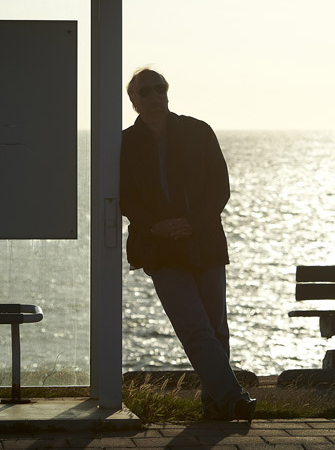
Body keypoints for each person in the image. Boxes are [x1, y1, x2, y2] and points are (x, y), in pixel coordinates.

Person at [120, 67, 256, 421]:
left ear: (167, 92)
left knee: (215, 328)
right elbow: (124, 197)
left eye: (158, 89)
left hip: (205, 241)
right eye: (143, 92)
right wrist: (156, 227)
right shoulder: (125, 143)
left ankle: (216, 406)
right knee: (194, 328)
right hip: (159, 248)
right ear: (132, 100)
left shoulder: (198, 131)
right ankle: (233, 397)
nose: (152, 97)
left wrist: (190, 223)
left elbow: (219, 188)